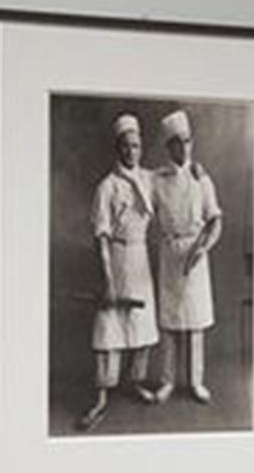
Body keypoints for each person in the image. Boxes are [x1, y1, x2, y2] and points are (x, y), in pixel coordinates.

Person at [80, 112, 159, 431]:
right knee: (109, 330)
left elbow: (173, 177)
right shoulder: (107, 186)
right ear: (118, 148)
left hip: (140, 258)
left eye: (137, 146)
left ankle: (134, 381)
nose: (132, 152)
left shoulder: (150, 179)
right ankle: (101, 396)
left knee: (142, 325)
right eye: (126, 146)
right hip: (116, 254)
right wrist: (109, 279)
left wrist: (197, 171)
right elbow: (100, 235)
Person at [147, 108, 225, 408]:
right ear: (168, 147)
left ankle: (196, 382)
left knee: (194, 322)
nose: (184, 147)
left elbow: (215, 221)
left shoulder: (202, 180)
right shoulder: (158, 179)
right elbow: (142, 204)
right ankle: (167, 381)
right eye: (177, 142)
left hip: (196, 254)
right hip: (169, 252)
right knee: (169, 321)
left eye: (188, 141)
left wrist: (203, 248)